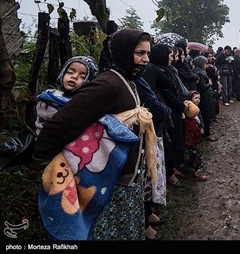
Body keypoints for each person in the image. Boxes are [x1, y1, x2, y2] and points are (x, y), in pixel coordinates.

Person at [33, 29, 155, 240]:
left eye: (147, 54)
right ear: (123, 52)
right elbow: (65, 121)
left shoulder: (127, 81)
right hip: (109, 184)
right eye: (139, 53)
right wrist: (44, 157)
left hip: (126, 179)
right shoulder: (107, 84)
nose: (145, 60)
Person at [35, 56, 99, 136]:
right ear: (63, 73)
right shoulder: (49, 97)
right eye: (70, 72)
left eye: (82, 76)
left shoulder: (88, 106)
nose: (74, 77)